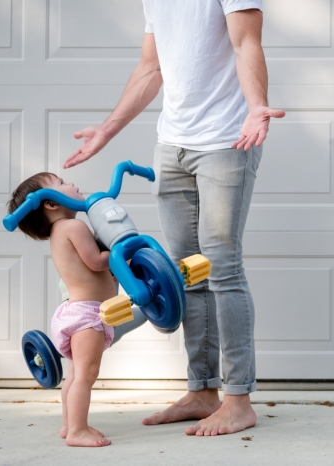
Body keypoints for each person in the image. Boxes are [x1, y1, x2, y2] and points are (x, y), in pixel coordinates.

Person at [63, 1, 285, 436]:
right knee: (187, 271)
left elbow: (245, 43)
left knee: (222, 265)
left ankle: (238, 399)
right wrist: (107, 130)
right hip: (172, 144)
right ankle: (202, 392)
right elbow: (151, 68)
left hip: (226, 141)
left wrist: (257, 105)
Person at [7, 173, 114, 447]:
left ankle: (69, 425)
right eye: (63, 182)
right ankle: (78, 431)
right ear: (51, 203)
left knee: (75, 375)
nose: (73, 184)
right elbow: (97, 262)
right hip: (87, 315)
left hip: (71, 312)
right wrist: (119, 251)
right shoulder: (73, 227)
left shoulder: (59, 232)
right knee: (86, 376)